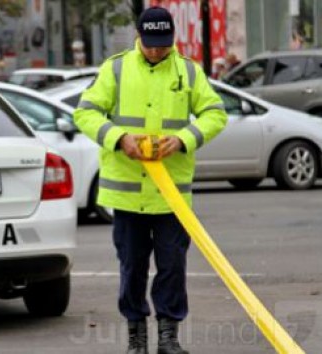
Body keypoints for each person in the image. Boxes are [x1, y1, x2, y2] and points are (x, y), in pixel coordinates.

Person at [73, 6, 227, 354]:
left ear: (172, 40)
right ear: (138, 37)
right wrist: (118, 137)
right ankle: (137, 338)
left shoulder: (188, 70)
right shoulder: (116, 68)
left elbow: (215, 112)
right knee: (133, 268)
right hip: (128, 197)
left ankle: (168, 338)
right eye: (151, 43)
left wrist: (184, 139)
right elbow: (85, 111)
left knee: (172, 267)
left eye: (164, 44)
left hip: (171, 195)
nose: (157, 50)